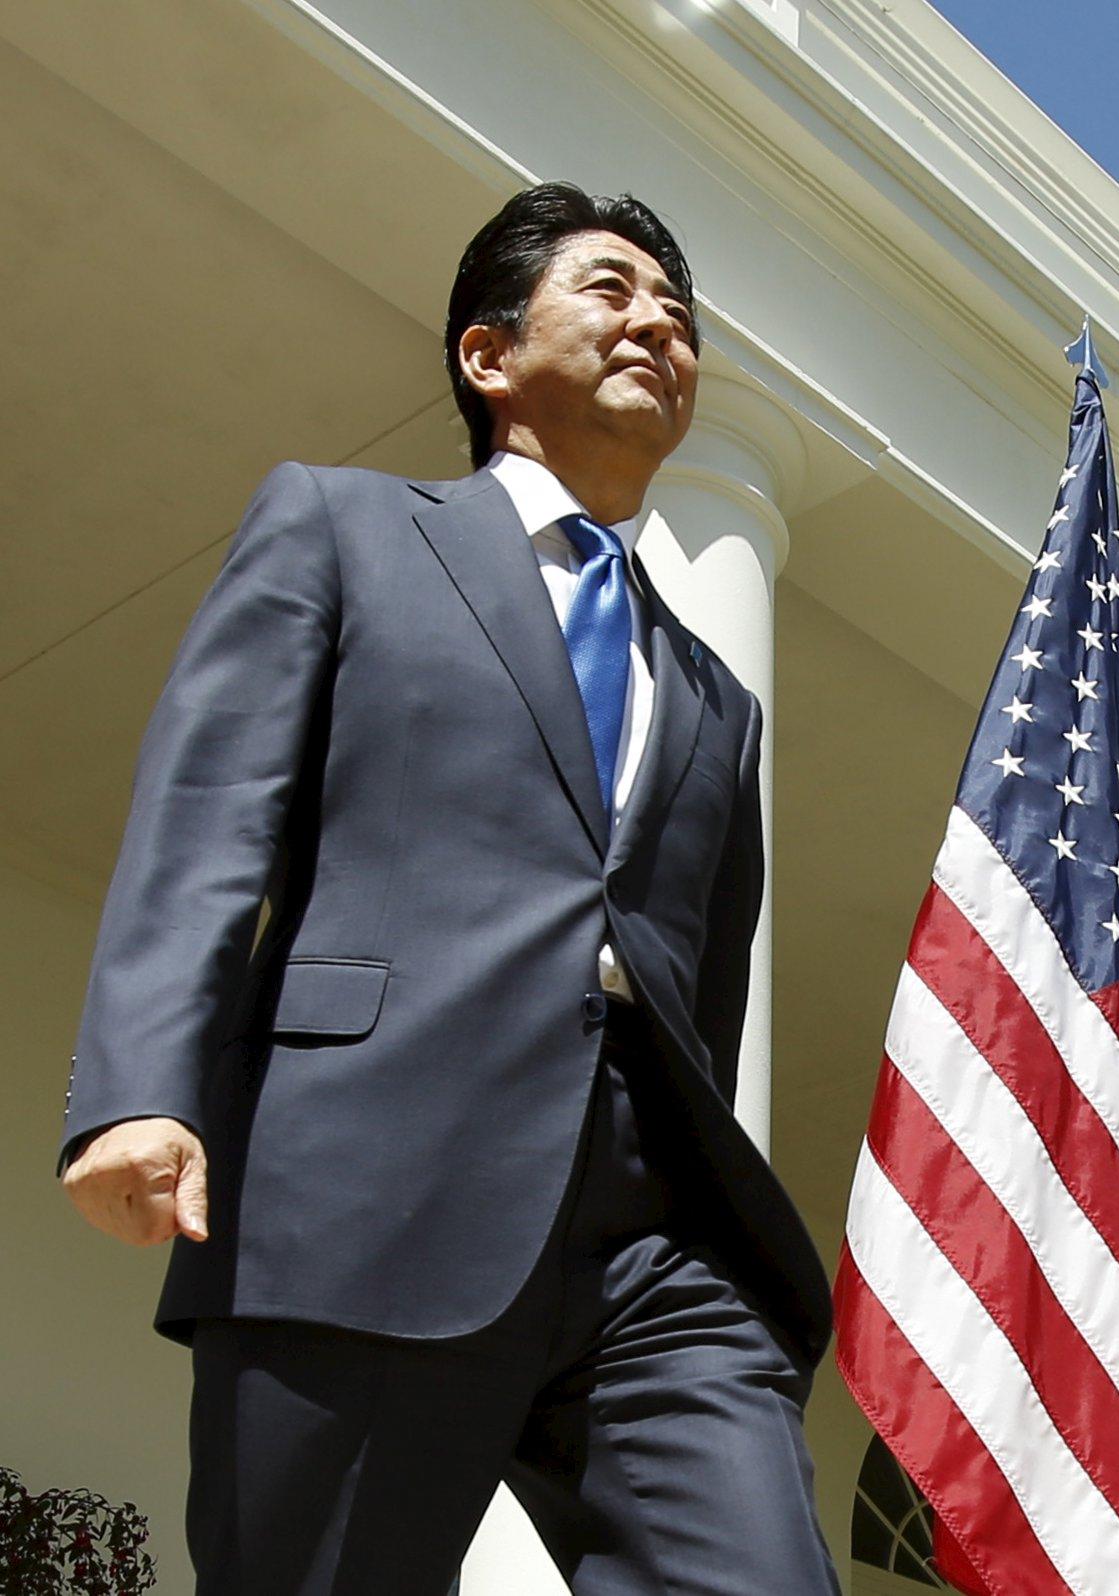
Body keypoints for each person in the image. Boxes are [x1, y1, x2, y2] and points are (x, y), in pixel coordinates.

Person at [57, 182, 839, 1594]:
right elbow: (212, 815)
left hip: (652, 1244)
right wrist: (137, 1087)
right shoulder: (343, 529)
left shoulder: (720, 698)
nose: (658, 320)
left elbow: (697, 987)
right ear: (489, 357)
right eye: (611, 290)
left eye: (680, 312)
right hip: (363, 1182)